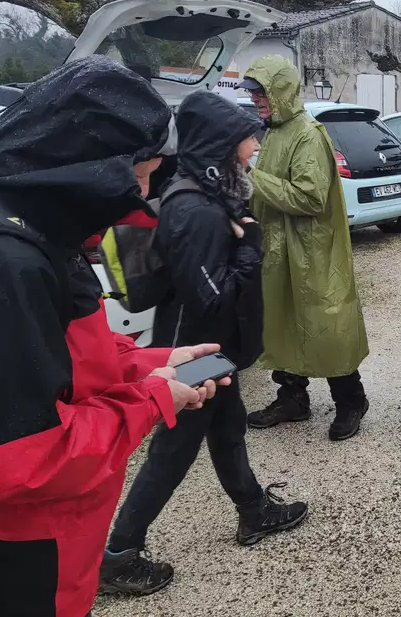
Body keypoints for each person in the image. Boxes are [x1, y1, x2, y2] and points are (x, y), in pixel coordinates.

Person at [0, 57, 223, 617]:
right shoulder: (3, 260)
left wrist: (150, 362)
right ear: (86, 164)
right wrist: (154, 397)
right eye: (139, 174)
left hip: (56, 536)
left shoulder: (38, 226)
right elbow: (20, 460)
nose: (139, 193)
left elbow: (57, 353)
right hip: (20, 547)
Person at [100, 92, 309, 595]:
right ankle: (118, 554)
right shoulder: (194, 209)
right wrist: (251, 249)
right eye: (245, 141)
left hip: (212, 347)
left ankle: (253, 510)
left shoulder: (210, 195)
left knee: (229, 424)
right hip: (193, 347)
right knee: (175, 448)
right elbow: (209, 299)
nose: (254, 147)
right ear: (218, 146)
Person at [240, 56, 370, 440]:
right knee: (282, 321)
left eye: (261, 91)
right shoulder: (275, 132)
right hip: (279, 250)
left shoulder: (307, 134)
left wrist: (249, 177)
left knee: (325, 324)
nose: (256, 99)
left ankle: (351, 400)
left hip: (313, 252)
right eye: (253, 93)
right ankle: (292, 398)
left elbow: (311, 198)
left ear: (280, 90)